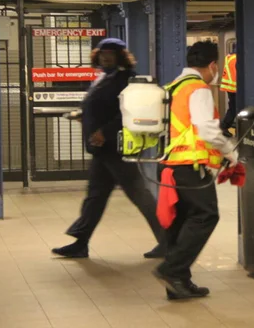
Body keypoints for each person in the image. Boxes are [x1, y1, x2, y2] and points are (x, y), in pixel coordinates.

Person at [52, 38, 165, 259]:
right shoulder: (104, 77)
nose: (105, 57)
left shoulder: (126, 79)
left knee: (139, 194)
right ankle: (80, 242)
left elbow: (127, 112)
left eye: (111, 53)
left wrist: (105, 131)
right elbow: (99, 107)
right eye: (103, 53)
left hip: (117, 148)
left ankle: (169, 241)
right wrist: (83, 117)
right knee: (95, 195)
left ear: (120, 56)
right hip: (102, 149)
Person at [153, 40, 238, 300]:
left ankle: (179, 283)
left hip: (169, 164)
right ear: (213, 65)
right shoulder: (198, 89)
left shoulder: (172, 87)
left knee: (179, 223)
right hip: (189, 166)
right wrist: (230, 152)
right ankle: (172, 269)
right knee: (205, 216)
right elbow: (207, 128)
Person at [219, 48, 237, 137]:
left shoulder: (229, 57)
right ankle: (224, 126)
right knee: (235, 108)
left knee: (233, 108)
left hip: (230, 87)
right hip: (235, 88)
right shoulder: (236, 59)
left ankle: (225, 126)